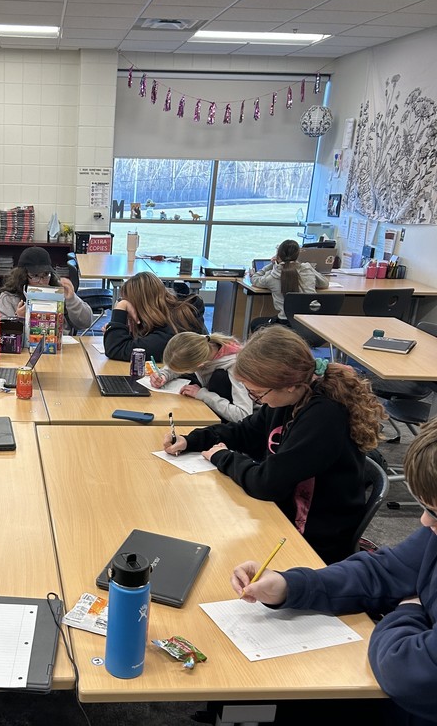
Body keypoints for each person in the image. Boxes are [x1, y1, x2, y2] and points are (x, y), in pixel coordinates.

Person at [230, 417, 437, 726]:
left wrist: (407, 611)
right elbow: (382, 571)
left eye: (433, 511)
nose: (424, 522)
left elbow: (407, 671)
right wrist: (289, 586)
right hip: (404, 715)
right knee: (258, 707)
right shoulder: (434, 536)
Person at [163, 325, 386, 564]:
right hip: (284, 513)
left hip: (312, 538)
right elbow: (244, 431)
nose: (255, 399)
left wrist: (223, 457)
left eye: (257, 394)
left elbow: (267, 483)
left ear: (288, 384)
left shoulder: (324, 416)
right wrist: (193, 440)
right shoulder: (288, 399)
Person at [149, 332, 252, 423]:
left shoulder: (235, 367)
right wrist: (163, 375)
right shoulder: (200, 343)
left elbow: (243, 415)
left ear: (200, 366)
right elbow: (178, 360)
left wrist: (203, 394)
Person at [103, 271, 206, 362]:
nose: (128, 308)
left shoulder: (174, 328)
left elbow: (117, 349)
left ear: (142, 305)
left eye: (128, 302)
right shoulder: (165, 315)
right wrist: (119, 329)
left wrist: (121, 307)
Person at [0, 245, 93, 332]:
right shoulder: (8, 298)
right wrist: (18, 319)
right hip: (22, 352)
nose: (41, 281)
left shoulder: (58, 291)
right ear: (23, 276)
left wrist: (72, 300)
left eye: (45, 275)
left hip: (57, 348)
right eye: (35, 276)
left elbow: (86, 323)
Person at [249, 238, 329, 334]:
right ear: (297, 254)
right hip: (310, 324)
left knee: (256, 323)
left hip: (285, 324)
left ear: (278, 256)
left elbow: (255, 279)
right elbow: (324, 283)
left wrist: (272, 264)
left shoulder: (273, 276)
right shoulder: (307, 269)